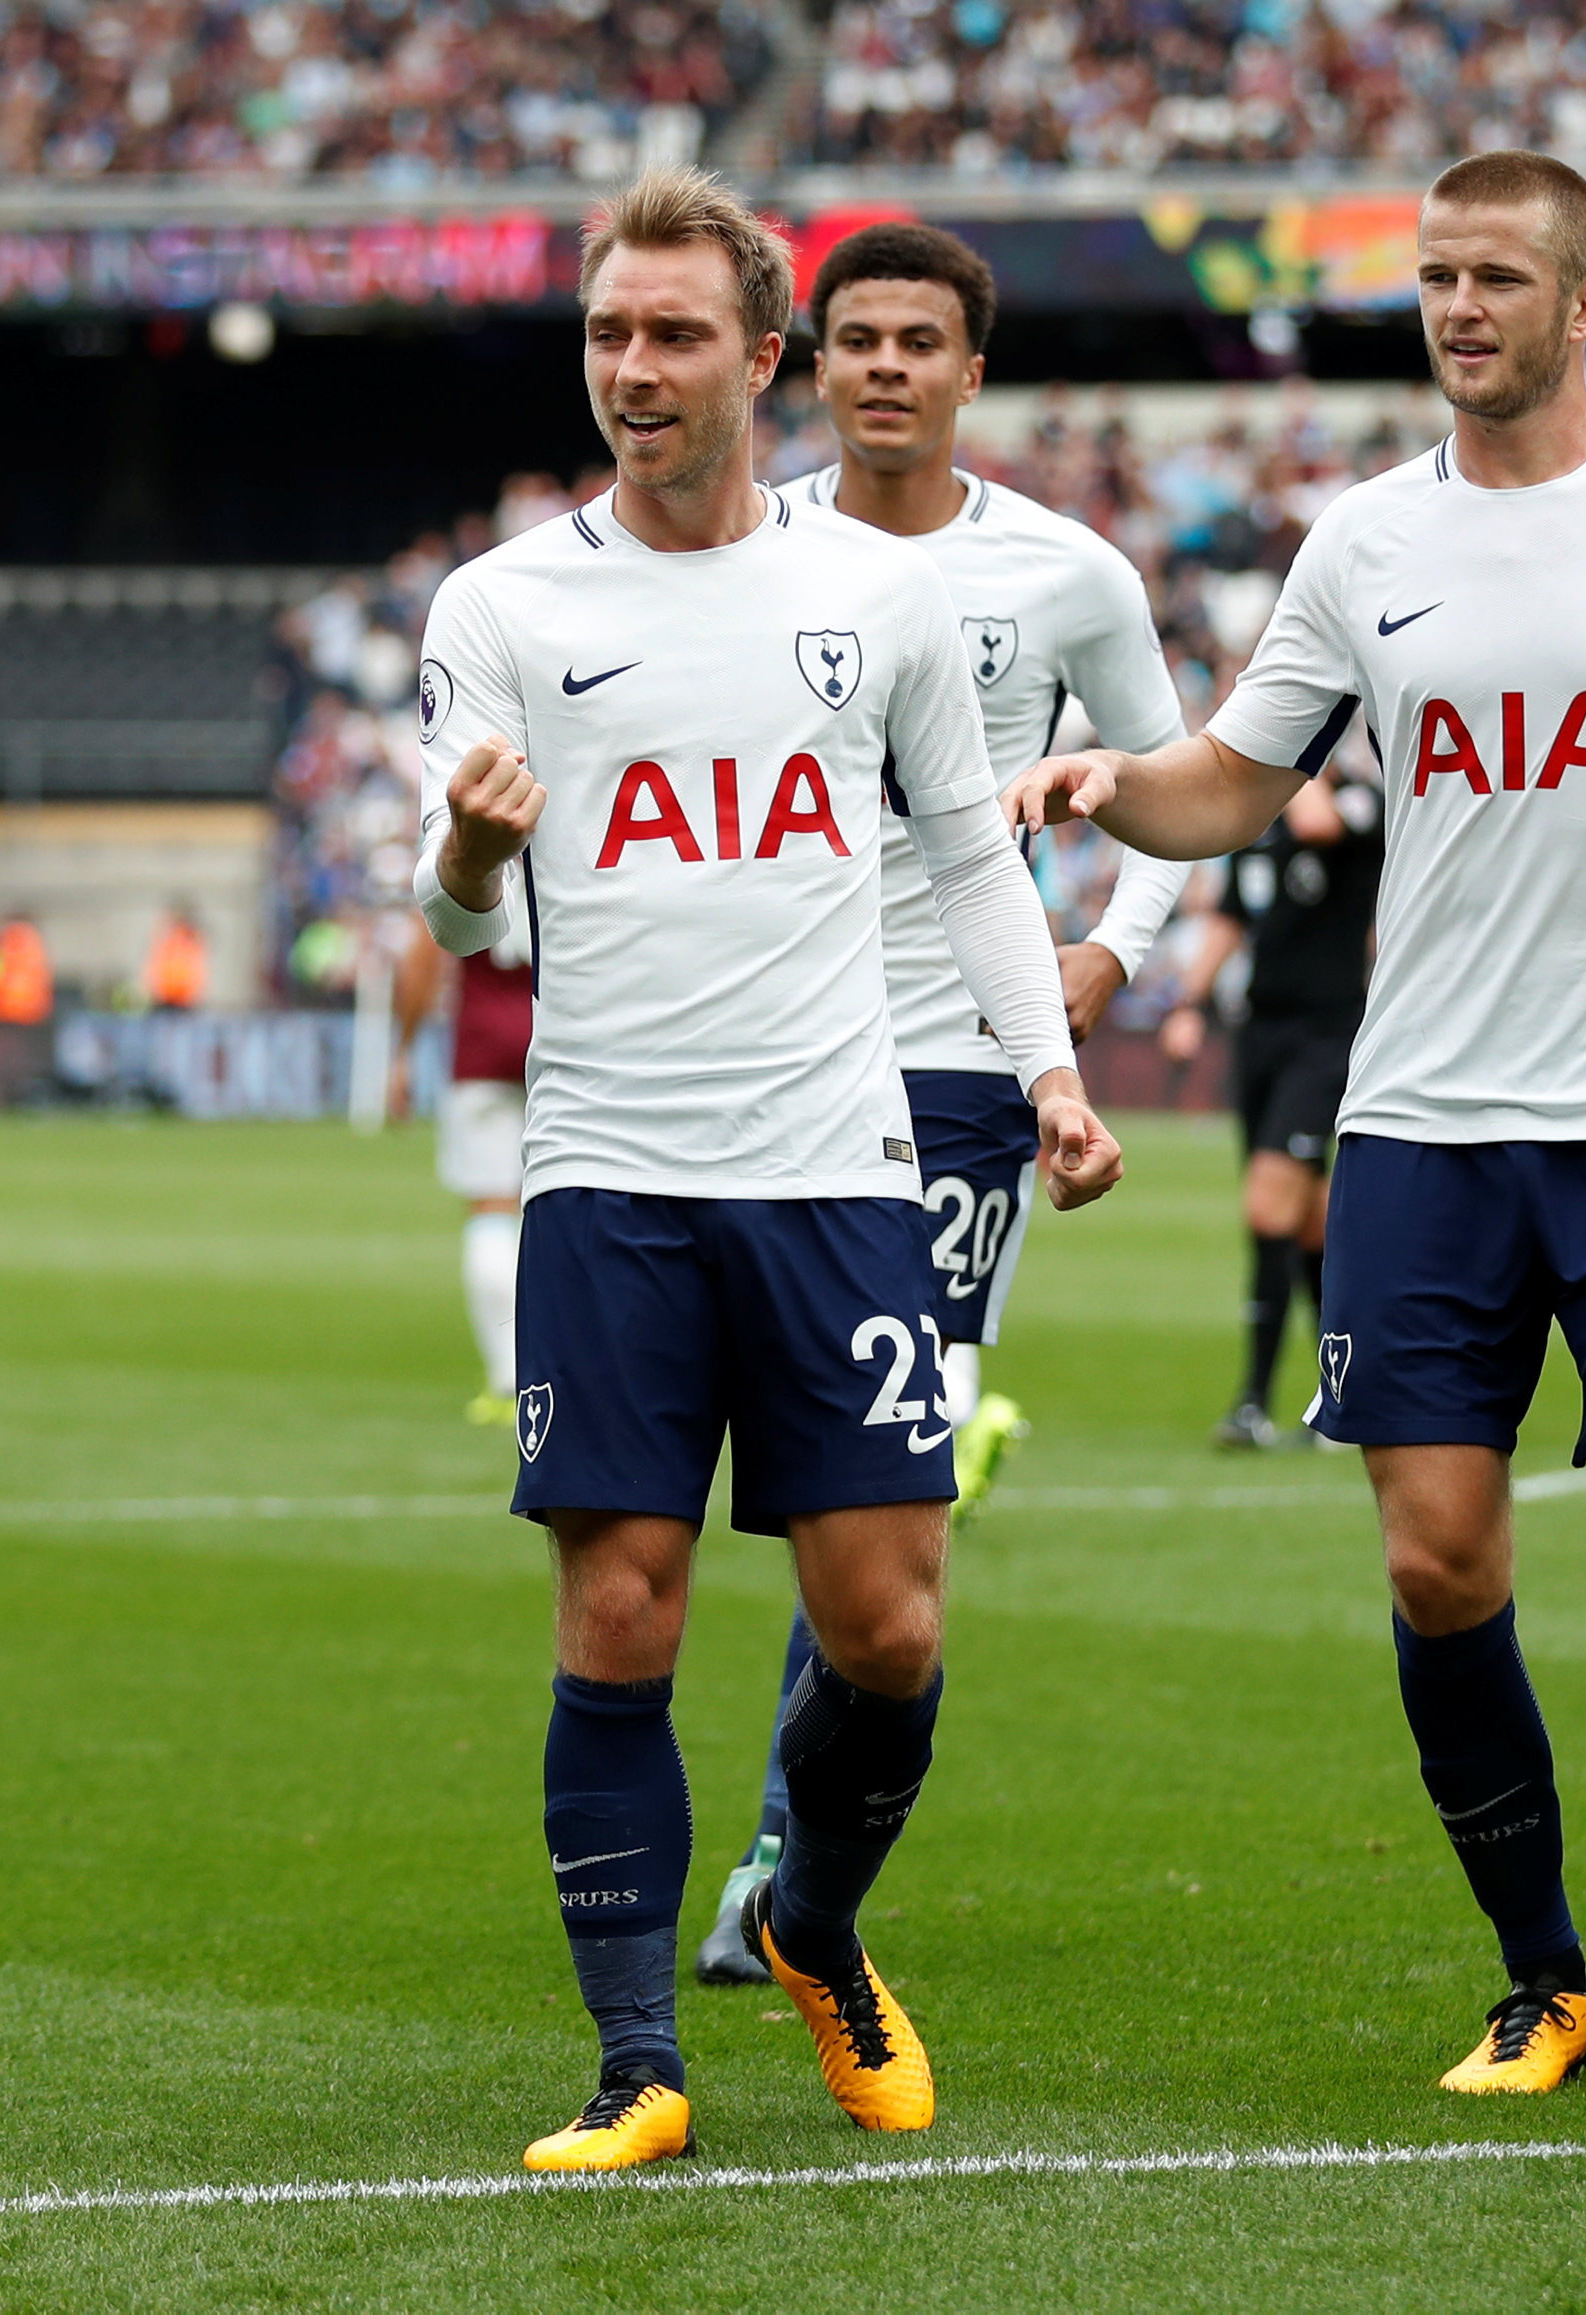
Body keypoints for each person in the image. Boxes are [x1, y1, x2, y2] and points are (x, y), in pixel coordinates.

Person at [1007, 150, 1586, 2093]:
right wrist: (1106, 783)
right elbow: (1232, 786)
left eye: (1495, 275)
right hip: (1417, 1120)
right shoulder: (1362, 544)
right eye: (1435, 276)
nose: (1455, 306)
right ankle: (1544, 1975)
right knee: (1437, 1560)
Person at [412, 169, 1118, 2173]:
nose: (632, 370)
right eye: (606, 334)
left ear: (761, 354)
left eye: (673, 335)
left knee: (887, 1620)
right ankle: (634, 2057)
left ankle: (809, 1915)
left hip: (840, 1169)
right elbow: (457, 919)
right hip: (613, 1175)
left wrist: (1050, 1078)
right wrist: (471, 846)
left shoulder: (876, 603)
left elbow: (973, 856)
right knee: (617, 1611)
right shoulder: (504, 604)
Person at [688, 221, 1194, 1989]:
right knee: (766, 1467)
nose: (886, 365)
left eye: (921, 340)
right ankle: (785, 1855)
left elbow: (1171, 783)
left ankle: (779, 1863)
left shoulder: (1068, 576)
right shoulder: (740, 554)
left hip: (967, 1079)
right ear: (808, 366)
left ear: (974, 373)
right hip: (763, 1061)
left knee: (874, 1467)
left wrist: (1111, 962)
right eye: (856, 340)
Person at [1172, 766, 1383, 1451]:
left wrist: (1301, 762)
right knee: (1309, 1224)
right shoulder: (1259, 812)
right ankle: (1348, 1398)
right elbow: (1233, 916)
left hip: (1327, 1034)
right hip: (1262, 1032)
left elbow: (1321, 823)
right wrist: (1190, 1002)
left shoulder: (1353, 794)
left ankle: (1253, 1402)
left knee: (1269, 1207)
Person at [391, 915, 535, 1424]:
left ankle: (507, 1381)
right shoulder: (576, 844)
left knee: (491, 1210)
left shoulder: (474, 841)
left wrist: (401, 1053)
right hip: (565, 1050)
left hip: (482, 1046)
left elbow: (422, 957)